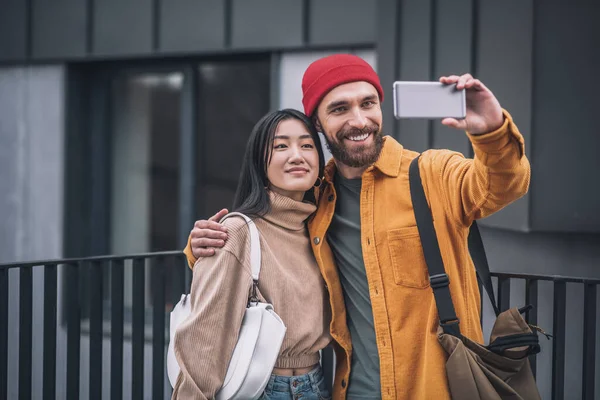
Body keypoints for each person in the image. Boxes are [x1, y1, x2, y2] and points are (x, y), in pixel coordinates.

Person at [185, 54, 530, 399]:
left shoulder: (432, 174)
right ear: (317, 123)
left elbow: (502, 185)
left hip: (436, 388)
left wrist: (491, 132)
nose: (359, 120)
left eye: (368, 103)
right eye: (339, 109)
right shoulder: (316, 196)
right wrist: (202, 246)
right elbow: (271, 235)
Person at [172, 109, 333, 400]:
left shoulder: (320, 229)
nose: (297, 155)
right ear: (259, 163)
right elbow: (206, 337)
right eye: (281, 146)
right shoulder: (236, 231)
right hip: (262, 388)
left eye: (307, 145)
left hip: (317, 384)